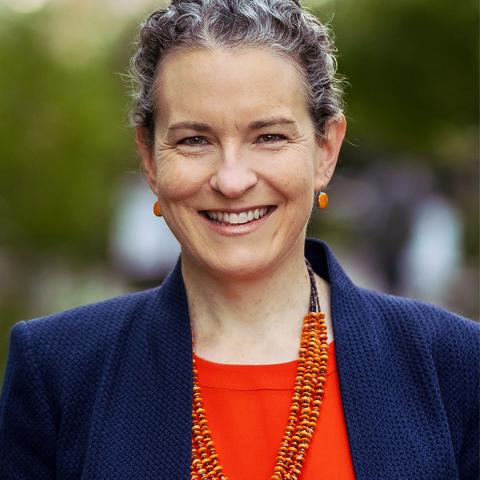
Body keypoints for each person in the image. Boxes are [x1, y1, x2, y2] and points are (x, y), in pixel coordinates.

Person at [0, 1, 478, 479]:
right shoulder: (58, 370)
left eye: (268, 137)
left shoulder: (453, 364)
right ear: (148, 158)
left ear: (325, 150)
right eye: (194, 140)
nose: (232, 180)